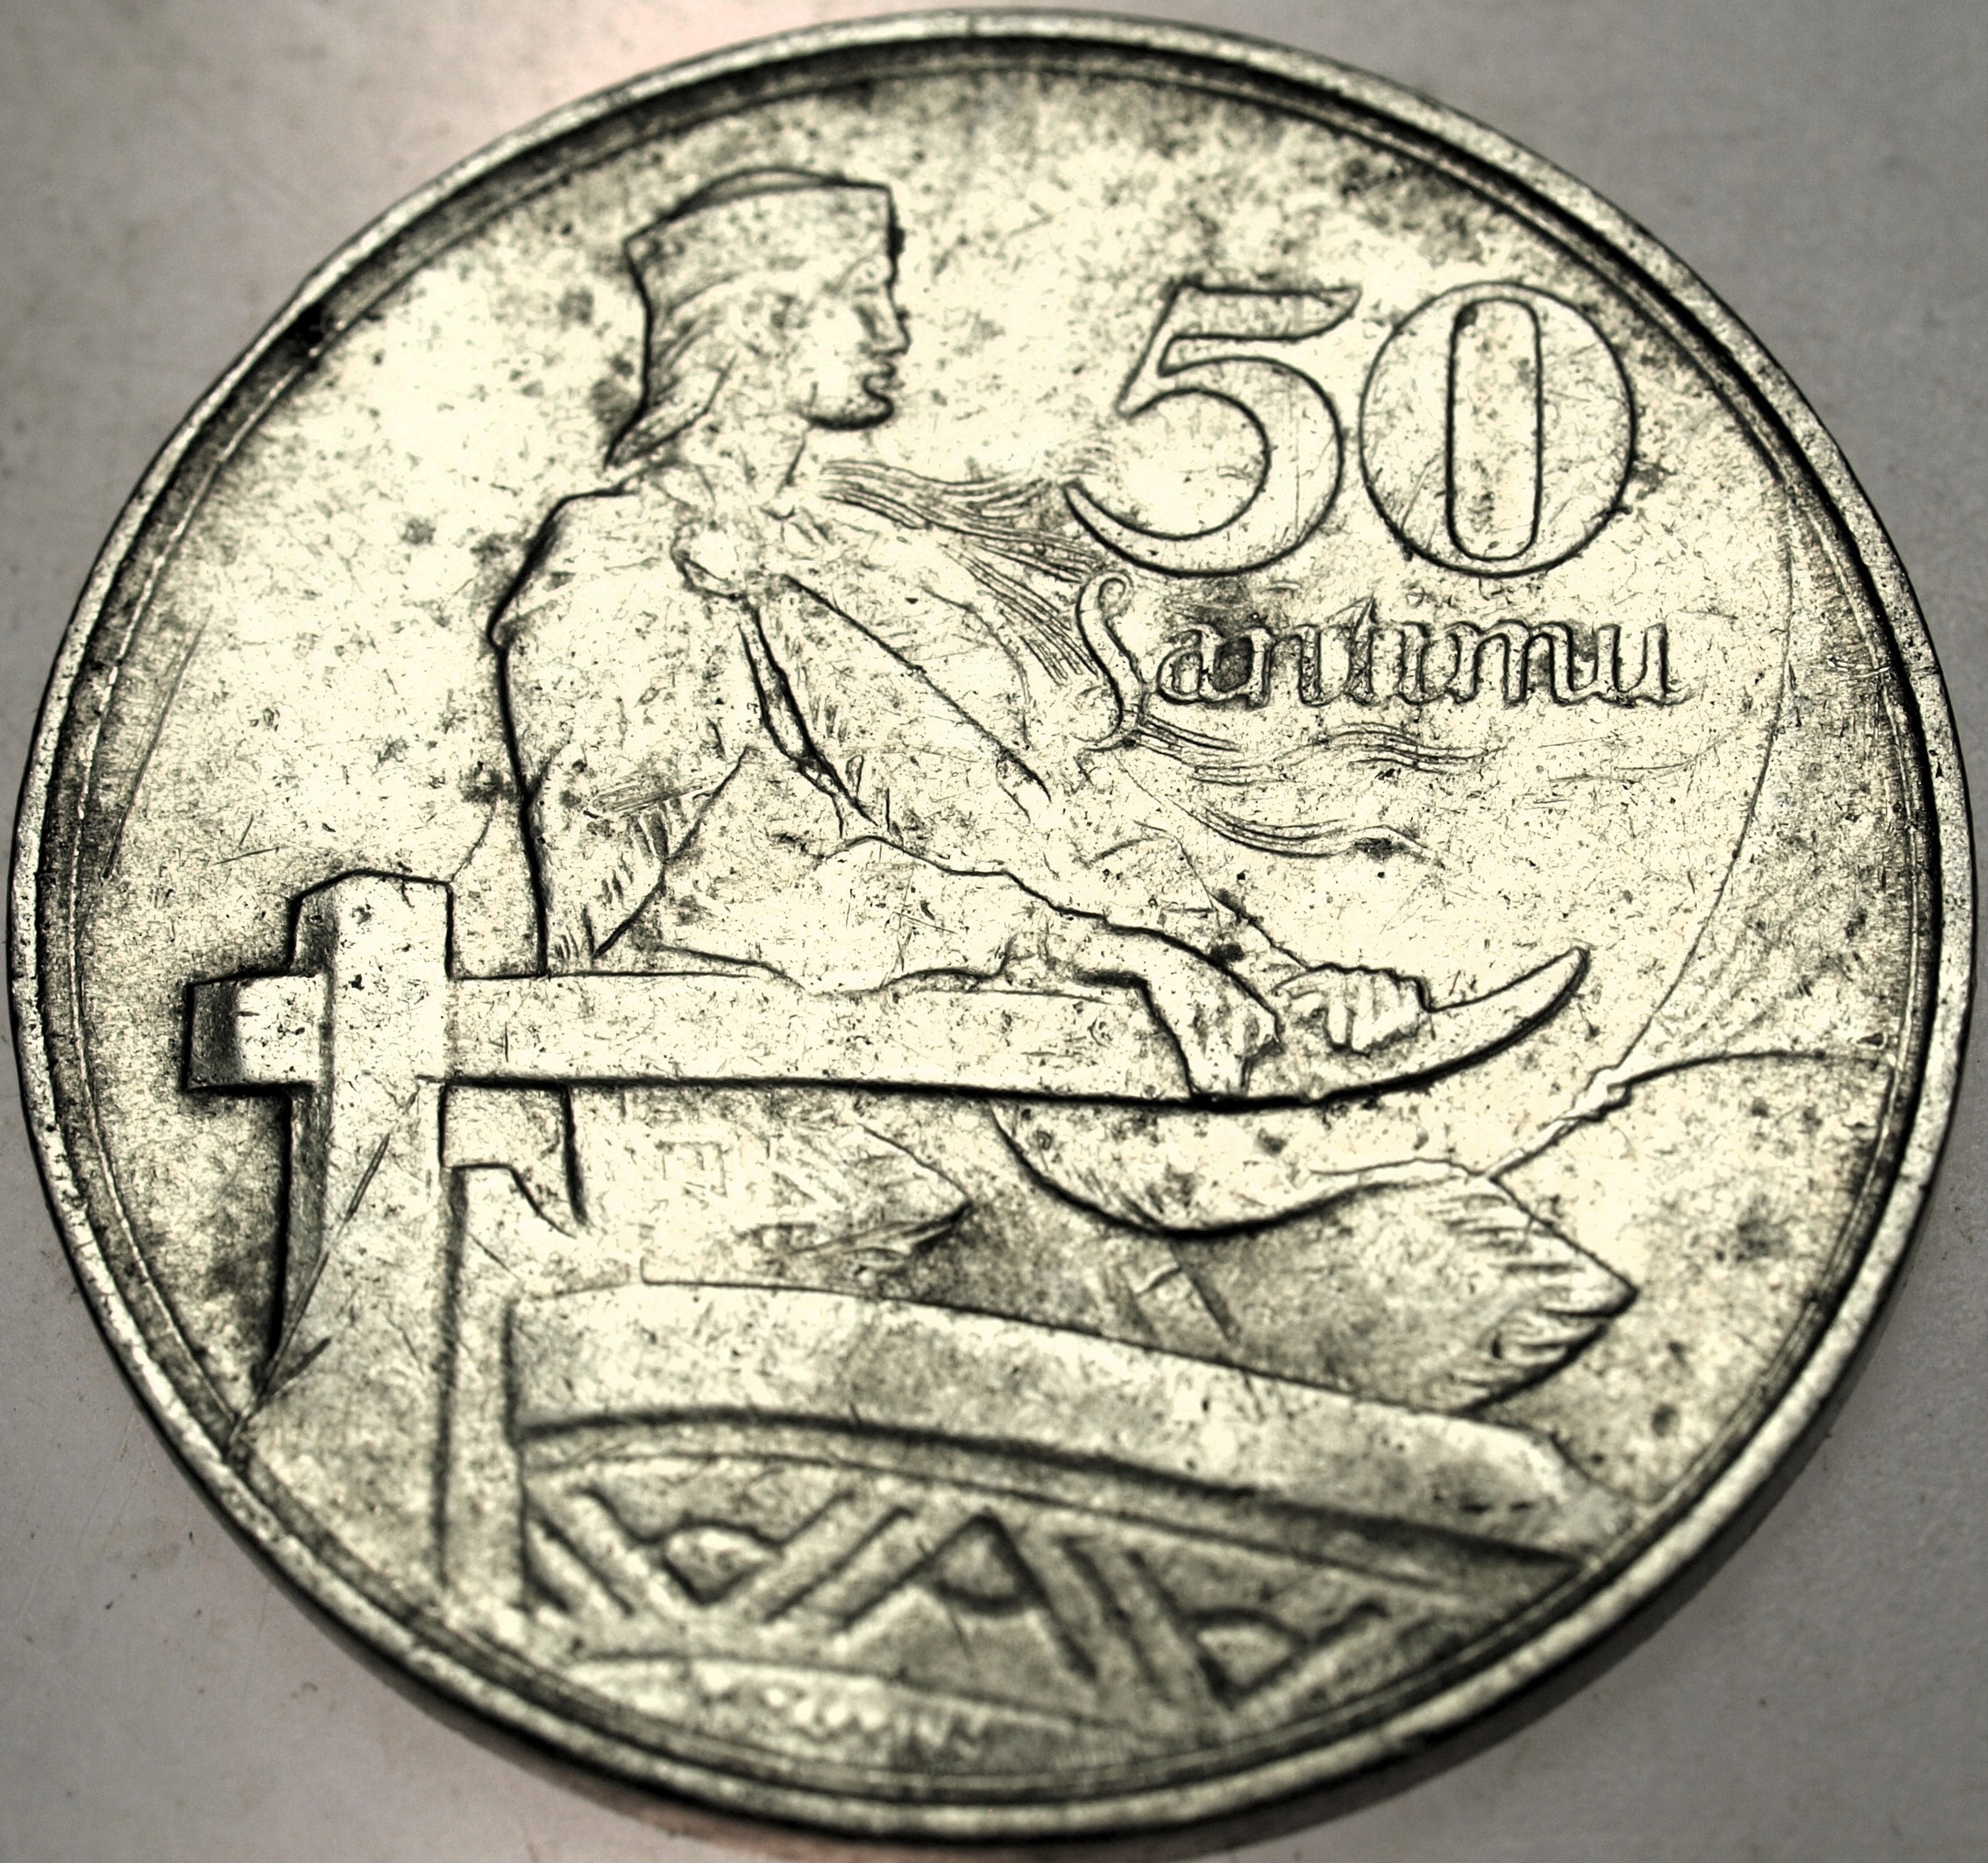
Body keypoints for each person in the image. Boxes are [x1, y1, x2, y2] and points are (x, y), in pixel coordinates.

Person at [486, 168, 1625, 1398]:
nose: (893, 331)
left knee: (1465, 1264)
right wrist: (1075, 949)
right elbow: (701, 904)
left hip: (1016, 1079)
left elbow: (1052, 816)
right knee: (1434, 1279)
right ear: (758, 324)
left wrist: (1269, 972)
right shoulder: (613, 565)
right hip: (787, 1146)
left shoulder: (867, 561)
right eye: (861, 298)